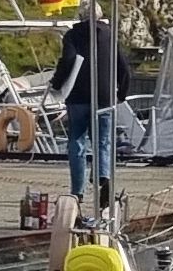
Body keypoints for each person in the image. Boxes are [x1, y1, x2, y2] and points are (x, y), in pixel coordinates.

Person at [47, 11, 124, 199]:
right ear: (99, 16)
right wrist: (121, 93)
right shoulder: (109, 35)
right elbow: (122, 65)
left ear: (81, 17)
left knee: (77, 141)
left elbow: (68, 60)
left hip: (78, 96)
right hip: (104, 96)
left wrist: (56, 83)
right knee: (103, 140)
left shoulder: (73, 35)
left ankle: (77, 191)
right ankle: (103, 176)